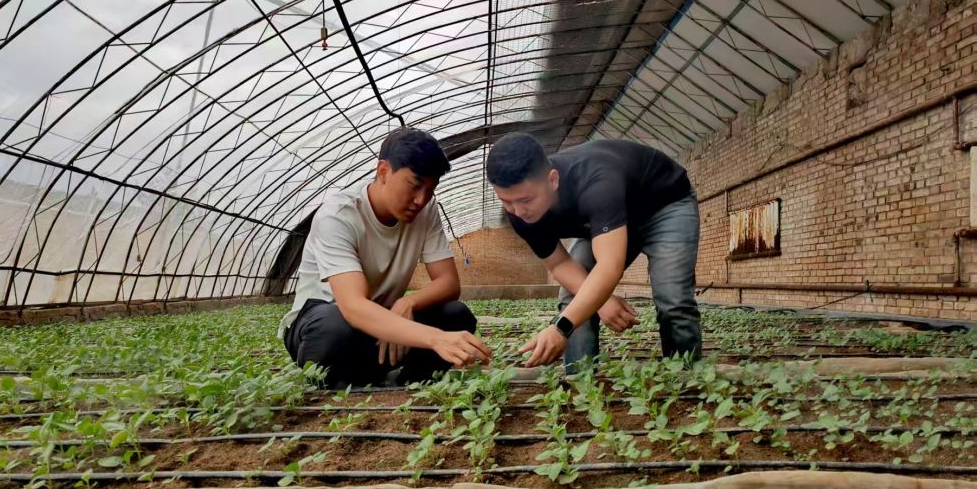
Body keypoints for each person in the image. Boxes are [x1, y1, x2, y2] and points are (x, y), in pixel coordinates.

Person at [279, 127, 491, 388]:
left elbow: (448, 283)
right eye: (415, 185)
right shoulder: (339, 215)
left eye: (430, 189)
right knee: (334, 327)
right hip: (324, 325)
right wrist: (434, 338)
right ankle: (344, 379)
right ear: (383, 171)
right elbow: (353, 306)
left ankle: (406, 383)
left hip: (381, 325)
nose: (421, 199)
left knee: (455, 315)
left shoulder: (426, 211)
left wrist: (408, 302)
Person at [486, 133, 702, 372]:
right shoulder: (518, 213)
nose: (518, 211)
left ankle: (685, 377)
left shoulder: (596, 181)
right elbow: (558, 264)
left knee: (673, 299)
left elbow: (609, 265)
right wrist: (602, 301)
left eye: (526, 200)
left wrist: (560, 328)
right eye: (506, 201)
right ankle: (581, 382)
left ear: (553, 180)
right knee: (575, 298)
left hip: (665, 205)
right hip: (608, 220)